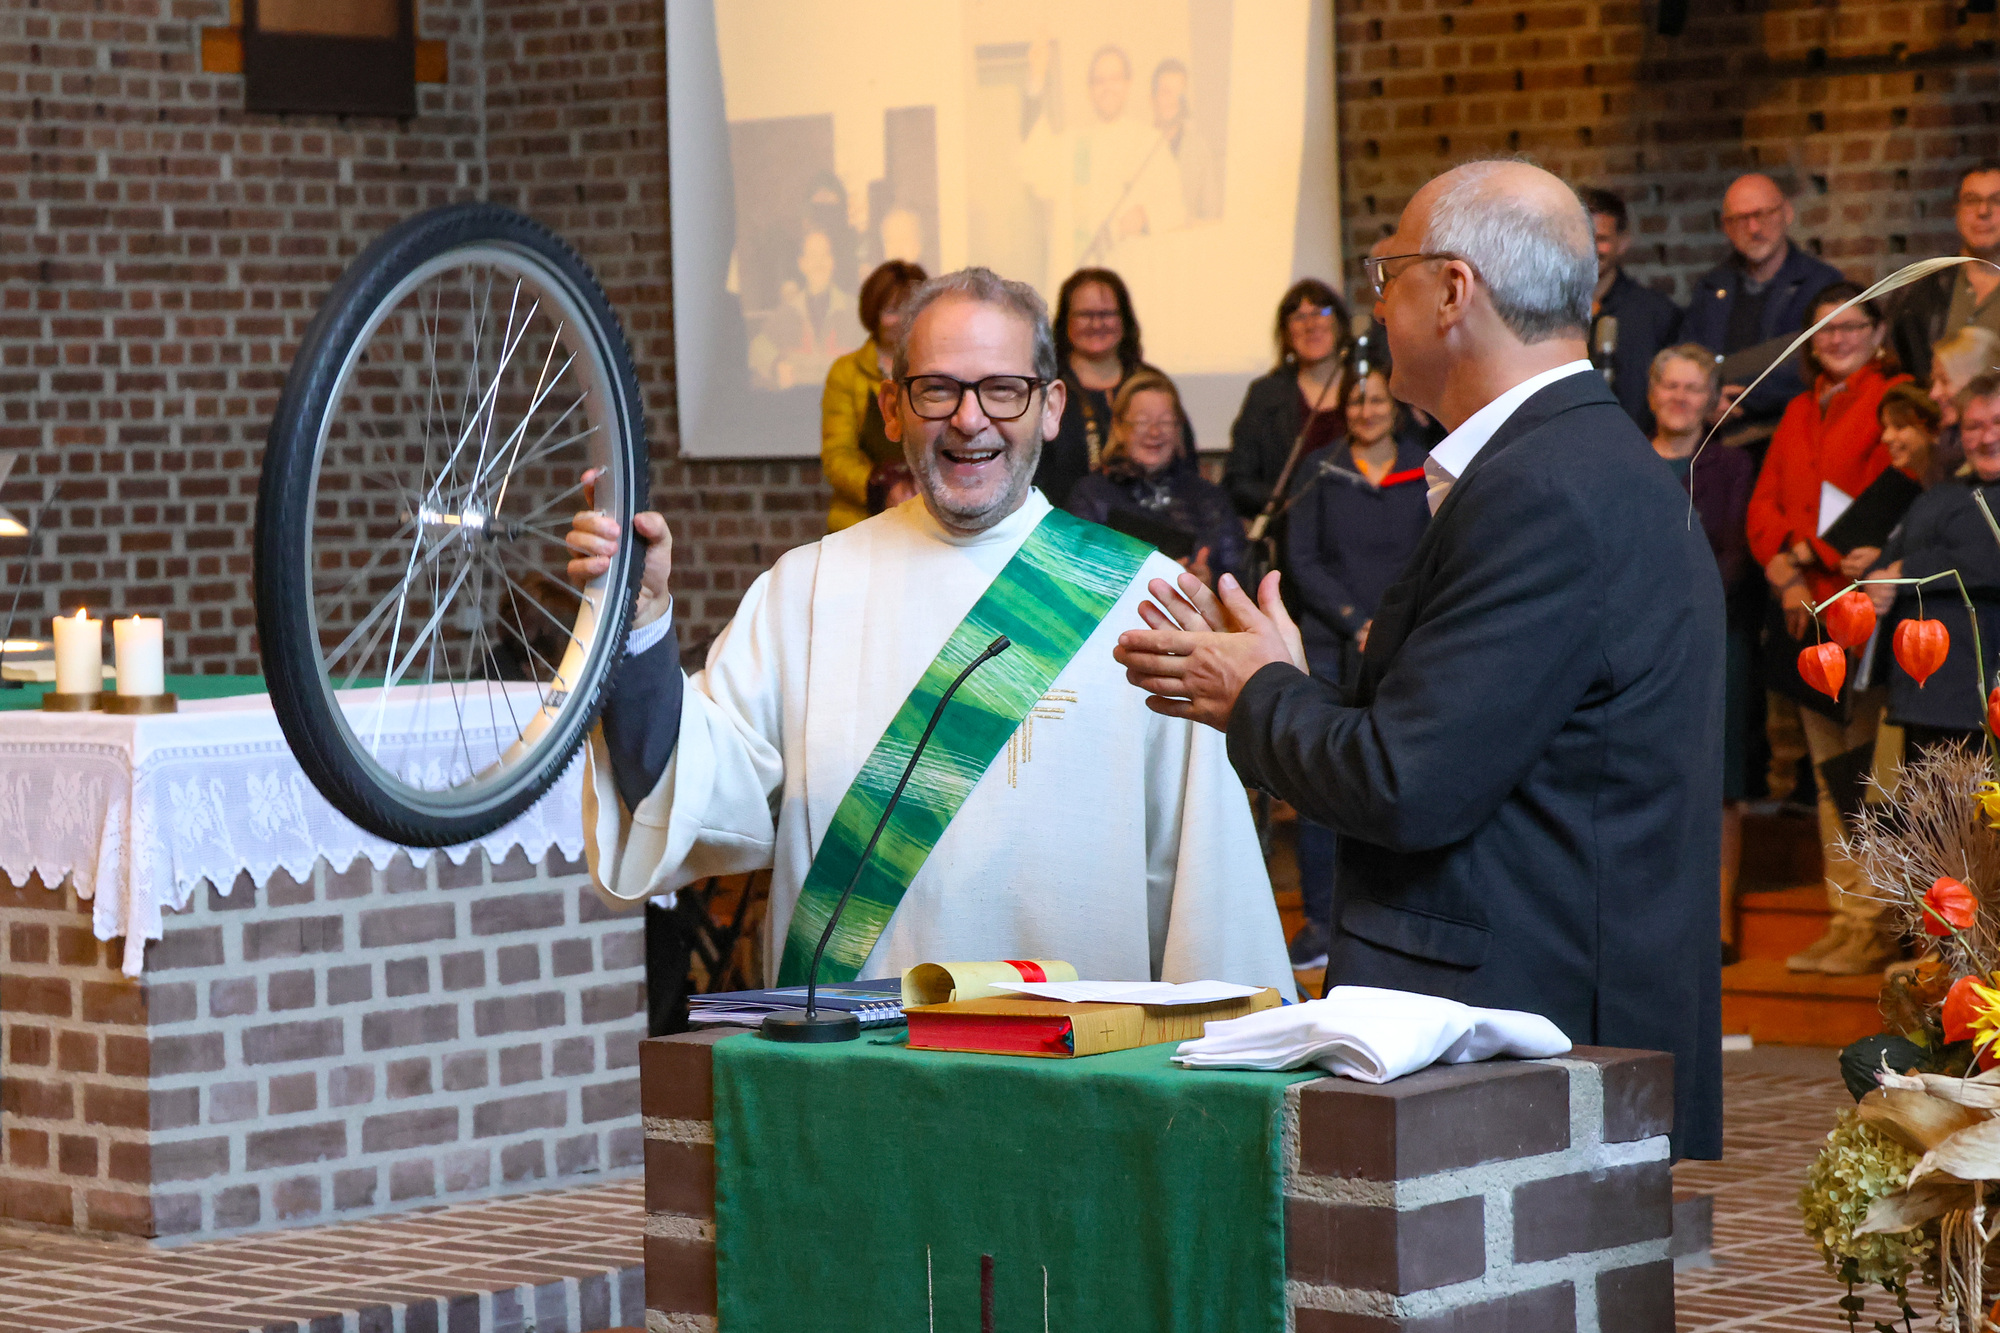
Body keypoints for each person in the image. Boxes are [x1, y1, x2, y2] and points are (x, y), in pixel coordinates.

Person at [1112, 159, 1725, 1160]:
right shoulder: (1579, 462)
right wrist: (1287, 684)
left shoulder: (1543, 491)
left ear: (1450, 290)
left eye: (1383, 270)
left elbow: (1407, 783)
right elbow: (1460, 744)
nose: (1371, 303)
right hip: (1539, 1023)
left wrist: (1256, 693)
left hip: (1518, 1042)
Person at [566, 267, 1292, 994]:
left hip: (1081, 1080)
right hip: (858, 1074)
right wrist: (639, 626)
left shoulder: (1147, 598)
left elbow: (1208, 893)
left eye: (1002, 389)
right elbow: (683, 783)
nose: (969, 419)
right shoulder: (809, 588)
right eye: (937, 389)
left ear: (1050, 407)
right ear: (892, 407)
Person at [1746, 281, 1909, 976]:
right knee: (1824, 774)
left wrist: (1810, 550)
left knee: (1869, 774)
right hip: (1804, 612)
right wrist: (1785, 565)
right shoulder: (1797, 410)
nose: (1837, 338)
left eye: (1851, 326)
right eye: (1823, 328)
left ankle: (1876, 920)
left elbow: (1891, 495)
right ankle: (1845, 917)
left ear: (1877, 332)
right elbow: (1764, 501)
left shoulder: (1892, 398)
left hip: (1864, 610)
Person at [1279, 364, 1430, 970]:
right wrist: (1354, 621)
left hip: (1410, 639)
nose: (1367, 411)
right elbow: (1302, 560)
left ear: (1393, 403)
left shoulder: (1430, 466)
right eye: (1356, 402)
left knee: (1394, 774)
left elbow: (1437, 551)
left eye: (1376, 400)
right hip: (1331, 643)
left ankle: (1399, 917)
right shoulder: (1321, 470)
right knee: (1326, 780)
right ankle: (1321, 920)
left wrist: (1390, 623)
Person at [1647, 345, 1755, 955]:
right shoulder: (1624, 457)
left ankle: (1717, 917)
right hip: (1636, 637)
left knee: (1721, 775)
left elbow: (1735, 553)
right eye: (1671, 386)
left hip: (1715, 634)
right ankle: (1659, 912)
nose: (1681, 398)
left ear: (1713, 401)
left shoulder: (1731, 466)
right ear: (1652, 392)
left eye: (1694, 389)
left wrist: (1682, 605)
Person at [1871, 377, 2000, 763]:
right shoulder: (1941, 495)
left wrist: (1905, 572)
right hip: (1922, 699)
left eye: (1997, 423)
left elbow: (1991, 561)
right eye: (1973, 427)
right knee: (1929, 820)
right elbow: (1887, 560)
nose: (1986, 438)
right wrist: (1878, 581)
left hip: (1985, 700)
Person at [1680, 173, 1845, 449]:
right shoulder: (1710, 288)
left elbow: (1820, 364)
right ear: (1726, 227)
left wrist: (1738, 398)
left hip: (1793, 439)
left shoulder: (1821, 284)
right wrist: (1705, 398)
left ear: (1787, 213)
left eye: (1763, 214)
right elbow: (1687, 356)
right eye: (1741, 219)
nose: (1754, 228)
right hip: (1718, 445)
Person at [1066, 369, 1245, 586]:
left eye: (1166, 422)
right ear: (1120, 428)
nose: (1154, 432)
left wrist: (1210, 584)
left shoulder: (1209, 498)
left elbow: (1241, 578)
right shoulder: (1090, 495)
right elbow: (1075, 576)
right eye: (1142, 421)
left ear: (1179, 429)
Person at [1032, 268, 1190, 509]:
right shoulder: (1047, 388)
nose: (1097, 324)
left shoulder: (1152, 383)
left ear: (1124, 320)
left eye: (1107, 314)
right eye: (1085, 315)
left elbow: (1185, 465)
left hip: (1151, 529)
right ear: (1066, 321)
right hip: (1064, 529)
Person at [1222, 280, 1351, 523]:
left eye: (1320, 312)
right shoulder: (1266, 395)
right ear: (1286, 334)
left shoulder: (1369, 387)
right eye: (1298, 317)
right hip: (1292, 530)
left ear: (1340, 322)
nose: (1311, 325)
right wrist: (1288, 503)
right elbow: (1238, 482)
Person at [821, 260, 928, 531]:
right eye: (892, 310)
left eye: (911, 310)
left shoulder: (937, 370)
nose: (903, 320)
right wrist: (885, 487)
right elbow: (837, 456)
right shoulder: (846, 372)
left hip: (929, 519)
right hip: (860, 523)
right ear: (873, 313)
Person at [1580, 187, 1683, 434]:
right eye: (1583, 238)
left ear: (1622, 242)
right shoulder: (1546, 311)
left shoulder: (1656, 313)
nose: (1591, 250)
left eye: (1601, 239)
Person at [1888, 163, 2000, 383]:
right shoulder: (1917, 292)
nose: (1983, 211)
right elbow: (1900, 377)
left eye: (1997, 200)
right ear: (1956, 211)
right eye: (1971, 201)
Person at [748, 226, 864, 391]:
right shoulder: (786, 314)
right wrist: (776, 367)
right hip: (799, 406)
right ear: (802, 263)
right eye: (812, 255)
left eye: (824, 255)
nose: (819, 262)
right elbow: (756, 349)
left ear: (832, 262)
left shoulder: (856, 312)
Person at [1151, 58, 1222, 221]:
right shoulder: (1138, 148)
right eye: (1165, 92)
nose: (1172, 101)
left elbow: (1211, 213)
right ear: (1153, 98)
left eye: (1179, 93)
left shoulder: (1199, 149)